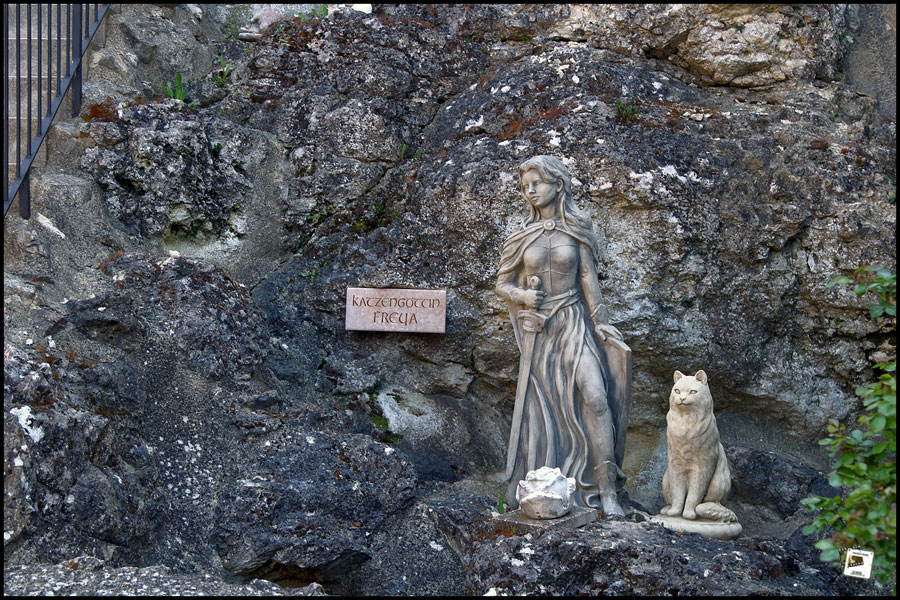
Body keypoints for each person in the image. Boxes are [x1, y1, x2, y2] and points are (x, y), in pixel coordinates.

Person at [496, 155, 629, 516]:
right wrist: (523, 297)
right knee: (544, 415)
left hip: (574, 323)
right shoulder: (522, 237)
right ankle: (543, 487)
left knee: (596, 397)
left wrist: (601, 322)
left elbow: (587, 278)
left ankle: (607, 491)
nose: (530, 191)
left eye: (537, 183)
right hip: (541, 332)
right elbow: (502, 283)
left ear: (558, 185)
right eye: (525, 187)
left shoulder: (577, 228)